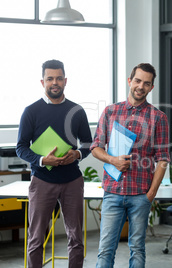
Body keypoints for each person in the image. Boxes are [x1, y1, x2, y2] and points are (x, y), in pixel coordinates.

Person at [90, 63, 170, 268]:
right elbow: (96, 147)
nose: (140, 86)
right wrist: (113, 160)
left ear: (151, 87)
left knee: (138, 249)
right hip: (113, 192)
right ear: (129, 81)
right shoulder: (110, 112)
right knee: (105, 249)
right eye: (137, 81)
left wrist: (151, 194)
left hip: (140, 195)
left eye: (146, 83)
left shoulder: (159, 118)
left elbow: (162, 158)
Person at [16, 59, 93, 268]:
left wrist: (77, 154)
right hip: (42, 180)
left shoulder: (77, 110)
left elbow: (88, 143)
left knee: (76, 238)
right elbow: (21, 147)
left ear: (65, 80)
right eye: (50, 78)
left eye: (59, 78)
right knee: (36, 239)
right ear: (42, 82)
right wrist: (42, 160)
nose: (54, 82)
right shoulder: (31, 111)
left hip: (72, 181)